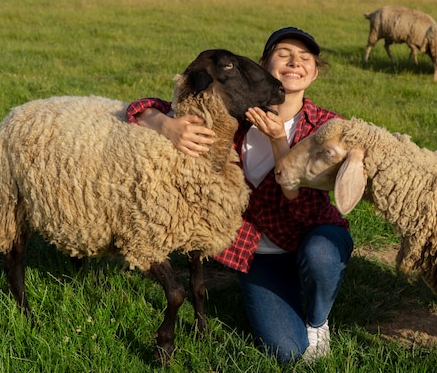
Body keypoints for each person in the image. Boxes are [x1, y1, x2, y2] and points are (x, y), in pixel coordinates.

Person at [126, 27, 353, 363]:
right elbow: (143, 106)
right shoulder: (234, 116)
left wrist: (279, 141)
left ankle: (318, 320)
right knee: (288, 353)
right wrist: (165, 124)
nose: (295, 63)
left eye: (305, 59)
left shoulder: (327, 127)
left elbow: (302, 209)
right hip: (258, 254)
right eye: (284, 54)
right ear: (263, 65)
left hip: (311, 237)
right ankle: (283, 296)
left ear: (314, 72)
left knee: (321, 254)